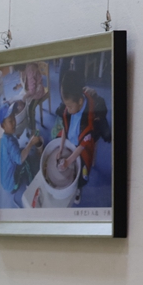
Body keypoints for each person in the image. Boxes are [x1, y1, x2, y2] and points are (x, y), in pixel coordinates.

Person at [52, 70, 111, 205]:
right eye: (66, 105)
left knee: (81, 173)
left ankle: (78, 188)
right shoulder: (71, 105)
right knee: (55, 142)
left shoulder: (88, 119)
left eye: (69, 106)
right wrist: (61, 148)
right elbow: (65, 128)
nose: (67, 109)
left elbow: (82, 146)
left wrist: (68, 161)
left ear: (80, 101)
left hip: (83, 144)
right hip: (71, 137)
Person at [0, 102, 41, 207]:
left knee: (22, 149)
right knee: (25, 160)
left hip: (5, 182)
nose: (14, 122)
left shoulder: (5, 139)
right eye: (10, 121)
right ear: (3, 125)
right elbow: (20, 159)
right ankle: (31, 185)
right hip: (12, 186)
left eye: (14, 118)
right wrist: (31, 143)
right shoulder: (10, 143)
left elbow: (13, 151)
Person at [21, 62, 46, 131]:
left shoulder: (30, 70)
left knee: (30, 109)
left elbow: (32, 91)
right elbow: (27, 82)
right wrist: (19, 85)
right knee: (25, 103)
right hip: (32, 89)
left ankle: (33, 129)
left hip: (38, 91)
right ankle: (30, 121)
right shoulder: (26, 68)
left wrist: (25, 96)